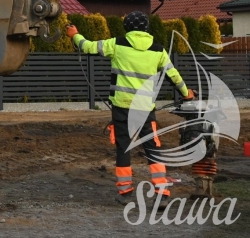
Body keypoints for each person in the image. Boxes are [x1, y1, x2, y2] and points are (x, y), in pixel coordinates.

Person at [67, 11, 195, 205]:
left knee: (123, 147)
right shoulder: (158, 50)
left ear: (126, 27)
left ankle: (125, 192)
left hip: (122, 106)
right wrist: (186, 93)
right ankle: (161, 193)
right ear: (146, 28)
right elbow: (173, 75)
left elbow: (88, 47)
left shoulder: (117, 44)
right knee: (153, 148)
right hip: (144, 109)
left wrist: (74, 34)